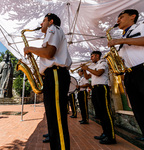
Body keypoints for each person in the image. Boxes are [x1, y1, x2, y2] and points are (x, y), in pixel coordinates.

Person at [24, 13, 72, 150]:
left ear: (50, 21)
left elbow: (49, 52)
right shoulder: (51, 32)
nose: (41, 24)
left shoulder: (53, 28)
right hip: (53, 75)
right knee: (52, 118)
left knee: (57, 118)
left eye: (43, 21)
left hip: (56, 74)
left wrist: (29, 49)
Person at [108, 9, 144, 141]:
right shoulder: (123, 37)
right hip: (129, 74)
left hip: (142, 70)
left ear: (132, 16)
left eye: (121, 17)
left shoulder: (141, 26)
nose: (118, 20)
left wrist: (120, 42)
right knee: (137, 107)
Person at [81, 51, 116, 144]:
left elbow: (99, 73)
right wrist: (84, 70)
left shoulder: (103, 63)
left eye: (92, 56)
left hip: (102, 88)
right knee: (100, 113)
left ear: (97, 56)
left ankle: (111, 136)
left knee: (106, 111)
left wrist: (87, 67)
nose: (91, 58)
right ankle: (105, 133)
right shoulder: (94, 66)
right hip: (95, 89)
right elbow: (87, 76)